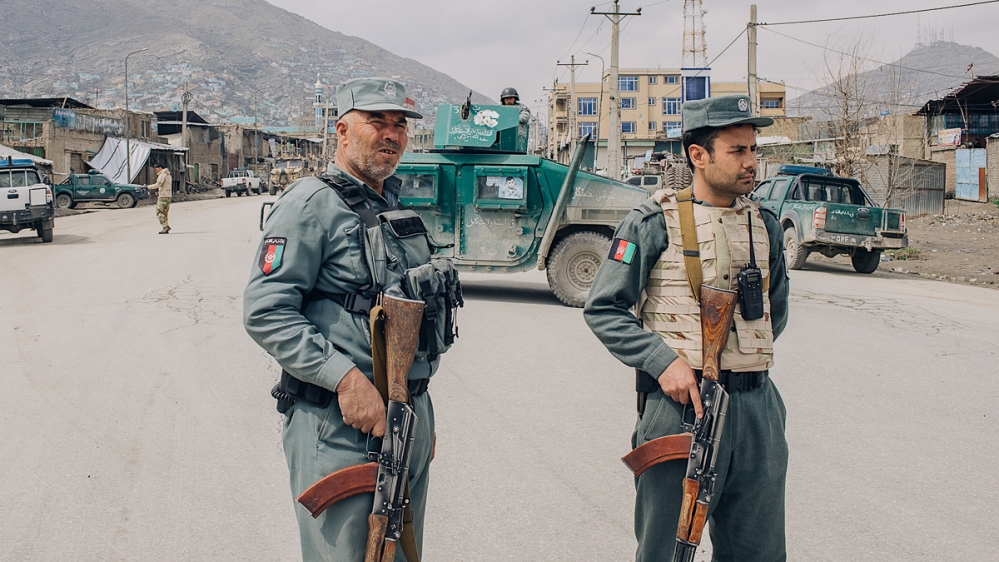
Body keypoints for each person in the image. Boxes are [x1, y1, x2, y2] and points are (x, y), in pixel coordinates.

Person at [583, 94, 791, 562]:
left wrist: (742, 362)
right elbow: (604, 309)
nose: (751, 162)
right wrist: (665, 363)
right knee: (666, 550)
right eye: (737, 151)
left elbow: (775, 310)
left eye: (753, 150)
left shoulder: (766, 226)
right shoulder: (652, 222)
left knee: (759, 552)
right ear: (699, 155)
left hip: (756, 409)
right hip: (681, 407)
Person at [243, 77, 442, 562]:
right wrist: (347, 381)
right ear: (343, 130)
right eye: (377, 122)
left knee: (395, 556)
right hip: (339, 426)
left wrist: (421, 417)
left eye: (399, 125)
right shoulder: (311, 204)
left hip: (404, 419)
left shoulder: (391, 205)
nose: (391, 135)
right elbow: (266, 310)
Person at [147, 164, 172, 234]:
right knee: (165, 213)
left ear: (160, 168)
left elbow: (158, 184)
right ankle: (165, 227)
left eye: (156, 169)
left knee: (159, 212)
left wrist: (148, 187)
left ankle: (165, 226)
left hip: (163, 196)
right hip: (168, 195)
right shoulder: (168, 175)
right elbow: (164, 186)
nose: (156, 171)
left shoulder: (162, 175)